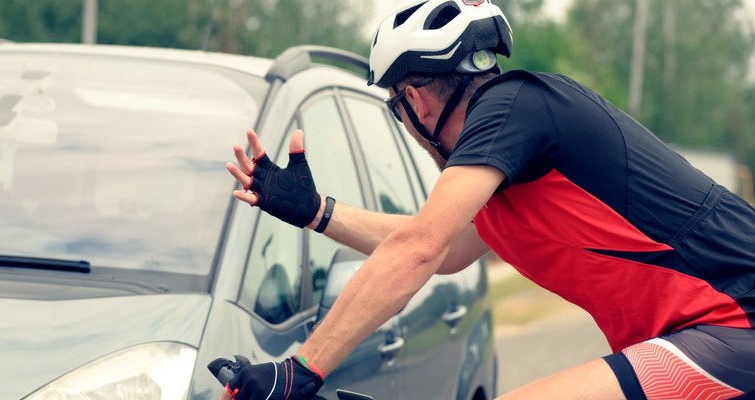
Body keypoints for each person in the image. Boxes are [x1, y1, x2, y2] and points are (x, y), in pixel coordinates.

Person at [221, 0, 755, 399]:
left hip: (735, 323)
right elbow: (444, 251)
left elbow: (420, 249)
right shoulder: (510, 161)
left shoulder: (511, 108)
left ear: (416, 99)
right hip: (704, 331)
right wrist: (318, 213)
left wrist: (300, 369)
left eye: (395, 107)